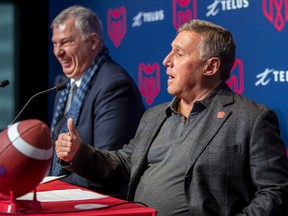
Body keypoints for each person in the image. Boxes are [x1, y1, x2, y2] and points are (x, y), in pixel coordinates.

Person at [55, 19, 288, 215]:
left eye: (179, 53)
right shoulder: (155, 116)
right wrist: (79, 153)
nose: (166, 60)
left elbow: (275, 192)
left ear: (211, 67)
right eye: (170, 51)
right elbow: (124, 164)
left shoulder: (251, 119)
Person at [48, 5, 146, 198]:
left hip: (101, 200)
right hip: (69, 194)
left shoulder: (114, 86)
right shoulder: (64, 84)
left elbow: (107, 168)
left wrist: (50, 184)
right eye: (55, 43)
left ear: (93, 41)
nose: (58, 52)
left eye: (66, 42)